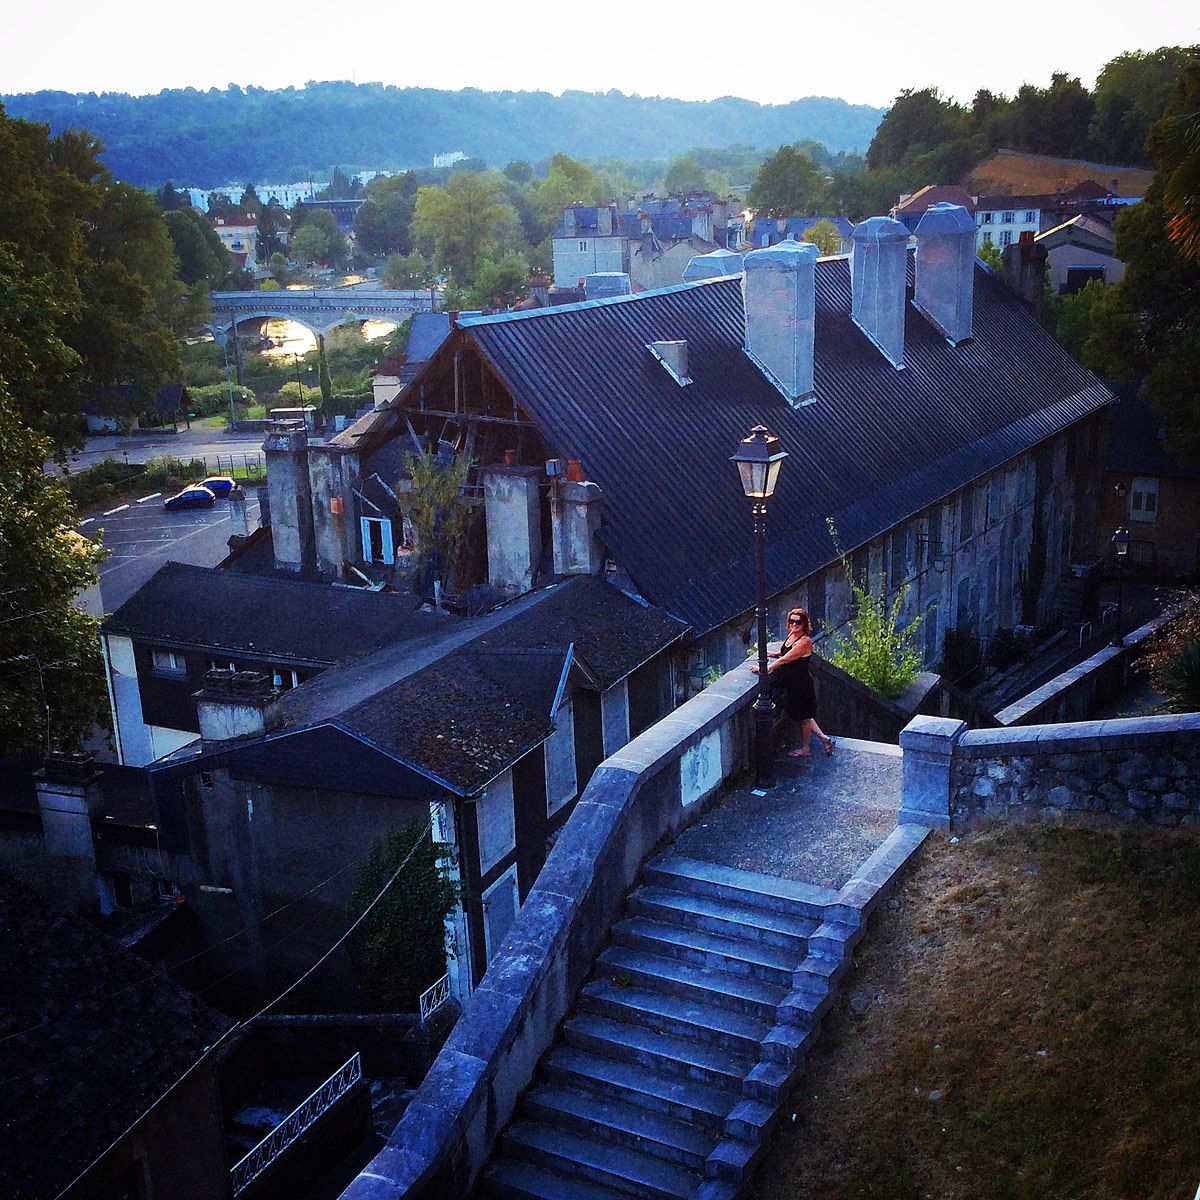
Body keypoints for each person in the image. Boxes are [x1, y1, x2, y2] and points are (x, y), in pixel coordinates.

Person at [750, 607, 834, 759]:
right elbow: (784, 653)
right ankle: (824, 739)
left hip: (801, 685)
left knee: (804, 718)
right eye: (792, 621)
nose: (794, 624)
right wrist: (773, 653)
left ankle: (806, 748)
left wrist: (766, 669)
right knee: (804, 716)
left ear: (804, 624)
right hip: (792, 684)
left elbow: (786, 659)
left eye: (798, 622)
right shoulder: (792, 636)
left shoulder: (804, 641)